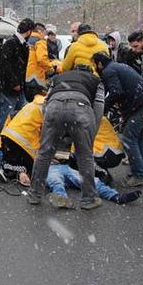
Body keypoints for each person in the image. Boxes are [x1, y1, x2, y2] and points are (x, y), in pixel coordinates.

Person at [28, 66, 104, 210]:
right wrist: (91, 135)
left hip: (54, 107)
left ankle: (34, 194)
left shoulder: (58, 78)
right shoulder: (96, 80)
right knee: (85, 156)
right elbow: (99, 108)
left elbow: (45, 104)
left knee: (44, 153)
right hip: (81, 108)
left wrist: (50, 125)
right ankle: (89, 198)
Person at [93, 52, 143, 187]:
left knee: (129, 138)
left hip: (139, 105)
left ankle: (139, 175)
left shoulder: (108, 71)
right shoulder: (117, 66)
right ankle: (140, 171)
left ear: (99, 63)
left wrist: (103, 108)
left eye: (95, 65)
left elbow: (116, 91)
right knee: (139, 138)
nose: (95, 68)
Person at [0, 18, 35, 132]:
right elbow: (6, 65)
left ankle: (12, 137)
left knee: (20, 112)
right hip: (9, 87)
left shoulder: (22, 44)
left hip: (18, 86)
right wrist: (15, 83)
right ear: (28, 32)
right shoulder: (11, 43)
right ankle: (2, 139)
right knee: (7, 113)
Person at [124, 30, 143, 175]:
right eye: (132, 47)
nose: (134, 49)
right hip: (138, 96)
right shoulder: (131, 55)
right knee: (141, 134)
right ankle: (140, 162)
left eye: (136, 46)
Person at [46, 164, 141, 209]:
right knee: (55, 180)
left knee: (89, 180)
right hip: (48, 167)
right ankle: (61, 198)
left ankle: (116, 196)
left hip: (66, 166)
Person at [24, 23, 55, 101]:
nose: (45, 35)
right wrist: (50, 69)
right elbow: (41, 59)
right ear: (39, 31)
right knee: (38, 101)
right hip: (37, 77)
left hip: (26, 76)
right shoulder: (40, 41)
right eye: (44, 32)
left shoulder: (27, 40)